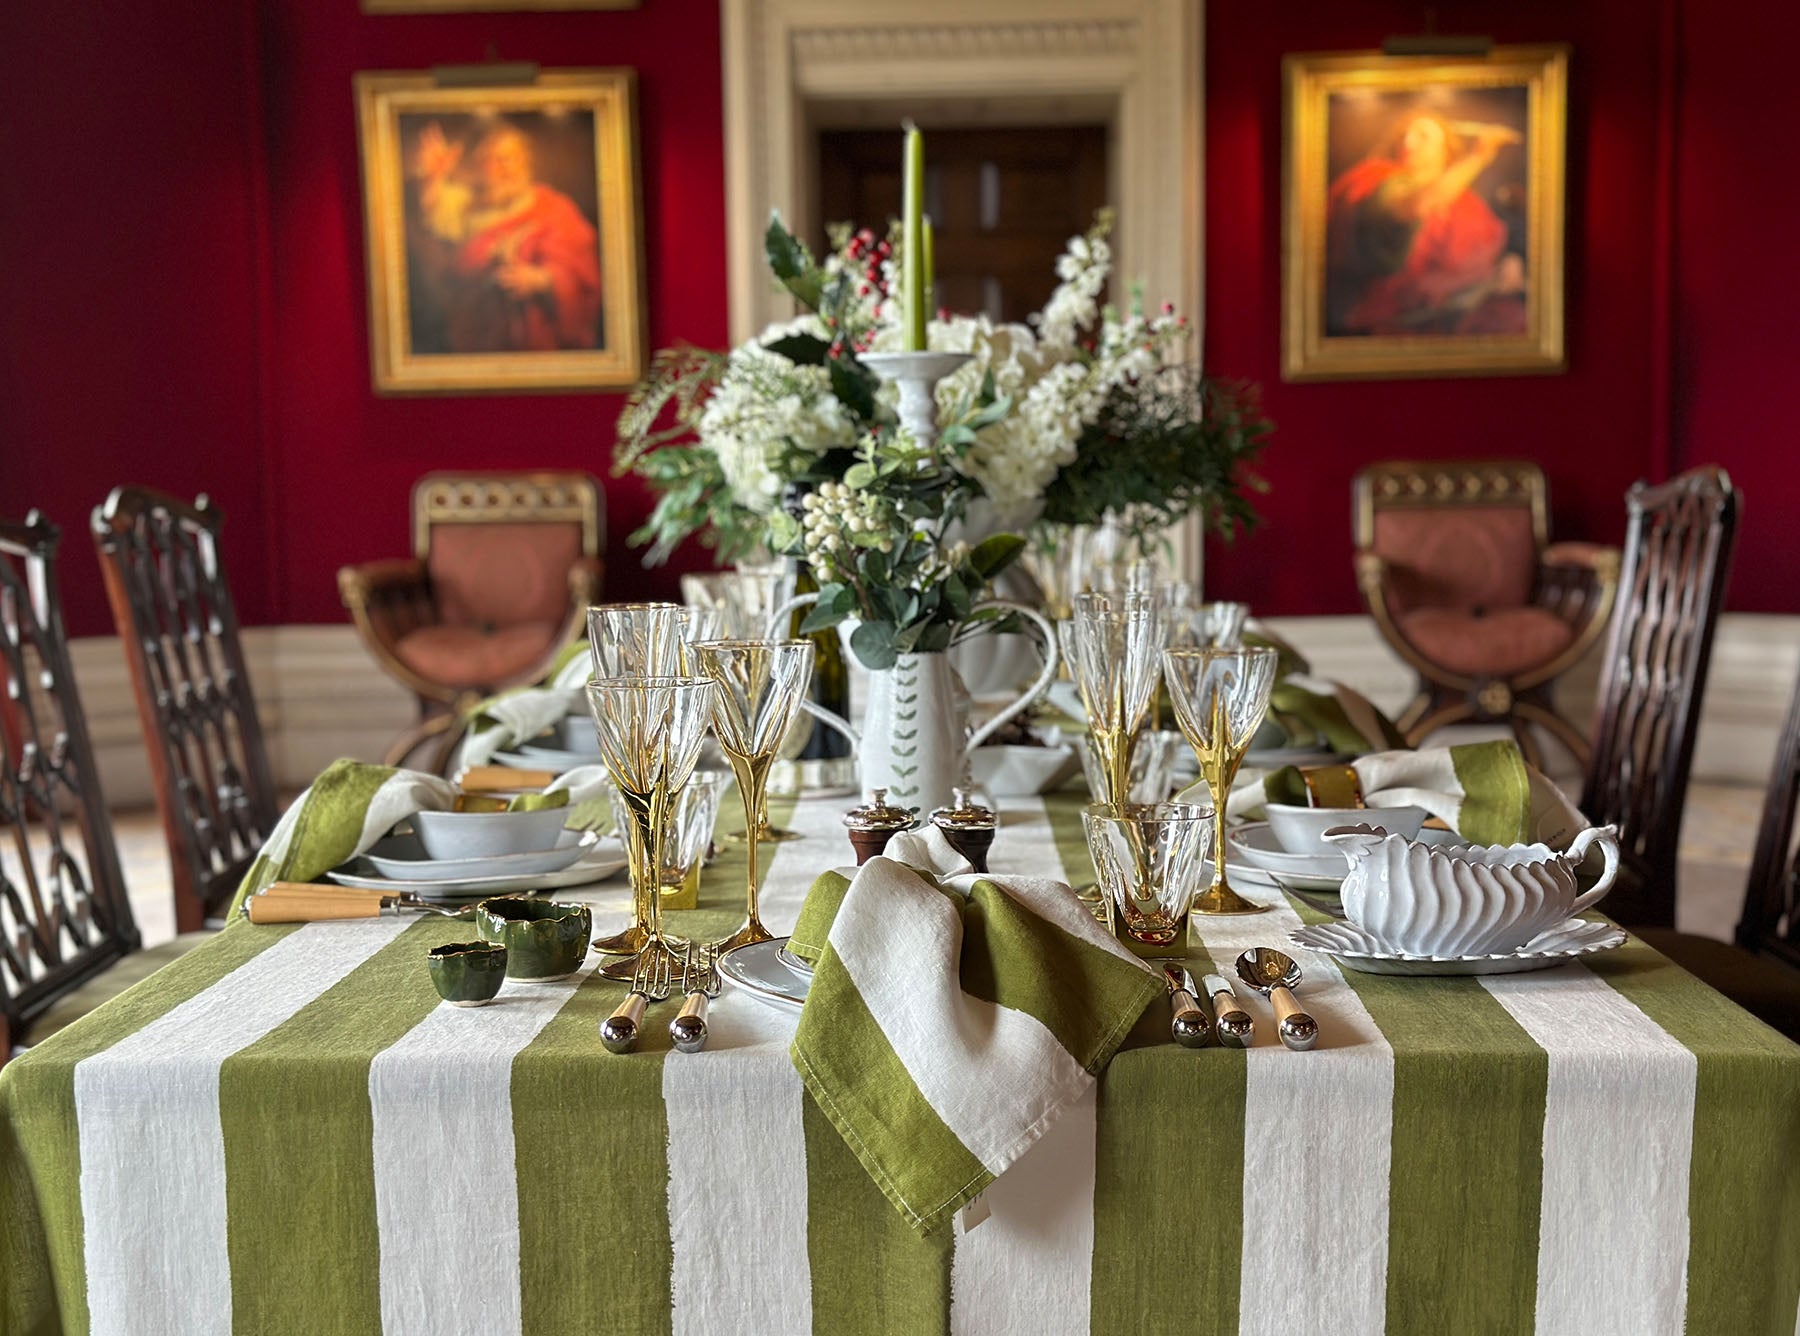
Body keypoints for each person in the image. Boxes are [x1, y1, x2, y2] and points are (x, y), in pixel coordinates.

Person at [1325, 111, 1527, 337]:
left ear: (1446, 149)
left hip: (1449, 321)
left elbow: (1489, 257)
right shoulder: (1375, 178)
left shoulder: (1468, 202)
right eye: (1404, 135)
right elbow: (1416, 206)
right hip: (1378, 324)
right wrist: (1479, 157)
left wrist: (1511, 261)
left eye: (1423, 136)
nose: (1408, 142)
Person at [408, 121, 603, 353]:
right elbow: (435, 208)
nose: (503, 168)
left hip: (539, 342)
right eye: (492, 160)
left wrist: (540, 280)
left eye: (510, 158)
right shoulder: (470, 207)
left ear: (526, 163)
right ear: (482, 168)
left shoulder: (554, 208)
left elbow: (581, 273)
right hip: (477, 336)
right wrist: (433, 177)